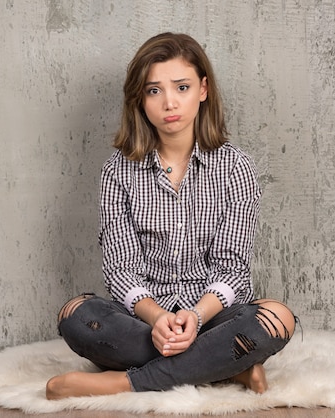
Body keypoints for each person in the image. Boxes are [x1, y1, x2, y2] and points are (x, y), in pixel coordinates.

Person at [46, 32, 297, 400]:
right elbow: (121, 270)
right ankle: (227, 368)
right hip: (142, 321)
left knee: (277, 318)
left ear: (203, 89)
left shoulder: (236, 168)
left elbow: (232, 269)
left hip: (213, 318)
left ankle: (124, 382)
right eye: (153, 91)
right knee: (75, 315)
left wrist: (194, 317)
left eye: (181, 87)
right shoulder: (117, 172)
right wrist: (157, 318)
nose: (169, 102)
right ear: (140, 99)